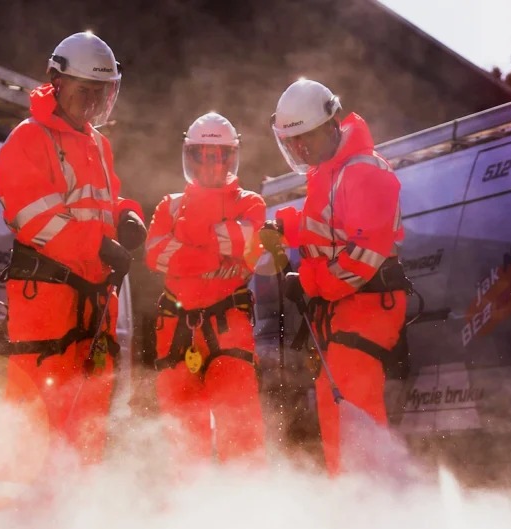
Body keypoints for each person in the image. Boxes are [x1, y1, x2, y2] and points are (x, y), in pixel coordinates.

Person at [0, 31, 147, 504]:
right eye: (84, 93)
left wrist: (126, 214)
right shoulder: (29, 139)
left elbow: (101, 201)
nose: (94, 105)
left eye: (102, 94)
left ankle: (73, 527)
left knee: (86, 424)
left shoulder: (97, 144)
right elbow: (38, 220)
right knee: (35, 422)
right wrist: (100, 245)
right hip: (49, 305)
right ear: (55, 83)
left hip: (92, 303)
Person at [266, 79, 410, 476]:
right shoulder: (329, 173)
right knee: (336, 412)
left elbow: (362, 256)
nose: (300, 149)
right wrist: (285, 228)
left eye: (305, 138)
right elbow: (326, 228)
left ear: (331, 126)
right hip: (342, 311)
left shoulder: (362, 171)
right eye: (291, 142)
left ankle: (373, 509)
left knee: (353, 408)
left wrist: (309, 284)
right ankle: (349, 505)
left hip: (364, 308)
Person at [144, 112, 267, 469]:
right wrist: (218, 242)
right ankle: (186, 516)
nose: (211, 164)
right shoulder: (169, 205)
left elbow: (249, 244)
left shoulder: (251, 203)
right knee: (181, 437)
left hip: (229, 326)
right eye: (203, 155)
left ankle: (246, 512)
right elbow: (155, 256)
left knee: (241, 431)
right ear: (190, 157)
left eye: (219, 155)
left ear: (231, 157)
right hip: (175, 330)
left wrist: (186, 244)